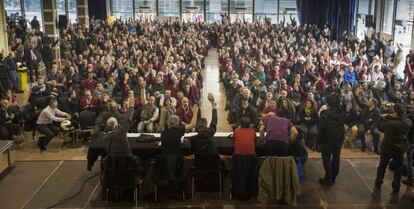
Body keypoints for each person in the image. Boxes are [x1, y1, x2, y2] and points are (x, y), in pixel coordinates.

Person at [374, 104, 412, 195]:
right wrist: (394, 117)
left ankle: (378, 183)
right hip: (400, 149)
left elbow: (380, 126)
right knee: (398, 169)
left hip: (388, 147)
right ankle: (396, 188)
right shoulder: (408, 122)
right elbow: (403, 119)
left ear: (395, 113)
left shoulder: (390, 123)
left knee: (382, 166)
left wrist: (387, 117)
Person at [318, 95, 345, 185]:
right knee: (336, 158)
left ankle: (328, 179)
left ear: (327, 103)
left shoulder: (325, 114)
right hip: (339, 138)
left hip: (328, 139)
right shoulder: (341, 112)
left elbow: (321, 130)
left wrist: (319, 142)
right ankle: (333, 177)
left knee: (326, 158)